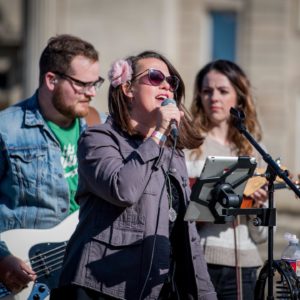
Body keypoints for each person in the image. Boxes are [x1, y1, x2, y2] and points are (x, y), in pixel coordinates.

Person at [51, 50, 217, 300]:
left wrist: (205, 293)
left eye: (171, 82)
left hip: (157, 288)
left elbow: (187, 231)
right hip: (99, 287)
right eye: (154, 77)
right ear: (128, 88)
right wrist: (159, 133)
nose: (166, 86)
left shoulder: (174, 152)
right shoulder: (98, 138)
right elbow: (123, 190)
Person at [0, 34, 104, 294]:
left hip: (88, 271)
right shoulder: (6, 130)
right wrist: (2, 258)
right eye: (83, 84)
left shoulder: (100, 126)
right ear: (51, 80)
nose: (91, 93)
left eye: (96, 83)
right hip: (29, 274)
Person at [185, 60, 268, 300]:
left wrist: (256, 208)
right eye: (207, 91)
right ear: (199, 96)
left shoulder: (254, 149)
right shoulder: (188, 145)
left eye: (223, 91)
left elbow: (261, 237)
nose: (214, 98)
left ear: (239, 98)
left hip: (245, 267)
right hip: (198, 261)